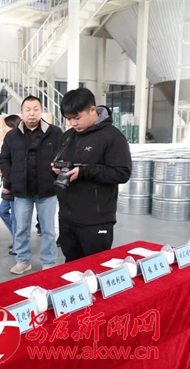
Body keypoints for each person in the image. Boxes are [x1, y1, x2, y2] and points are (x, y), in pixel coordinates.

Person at [53, 88, 132, 262]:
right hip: (67, 218)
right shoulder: (68, 137)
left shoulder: (112, 137)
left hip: (96, 220)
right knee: (71, 266)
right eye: (68, 119)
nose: (73, 123)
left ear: (92, 110)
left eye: (77, 118)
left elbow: (122, 173)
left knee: (96, 267)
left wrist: (84, 171)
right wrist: (58, 170)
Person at [0, 96, 63, 275]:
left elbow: (63, 156)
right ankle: (23, 260)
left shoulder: (55, 132)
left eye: (35, 109)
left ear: (41, 111)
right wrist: (12, 177)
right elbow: (4, 159)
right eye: (27, 109)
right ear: (21, 113)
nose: (32, 113)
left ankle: (48, 261)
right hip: (22, 191)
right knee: (21, 228)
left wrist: (56, 173)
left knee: (48, 229)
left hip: (47, 191)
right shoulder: (12, 136)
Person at [0, 114, 20, 255]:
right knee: (2, 211)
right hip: (9, 184)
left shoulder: (16, 144)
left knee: (15, 217)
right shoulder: (9, 141)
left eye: (5, 126)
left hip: (14, 186)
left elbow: (11, 168)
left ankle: (18, 244)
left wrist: (7, 186)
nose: (3, 129)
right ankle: (18, 238)